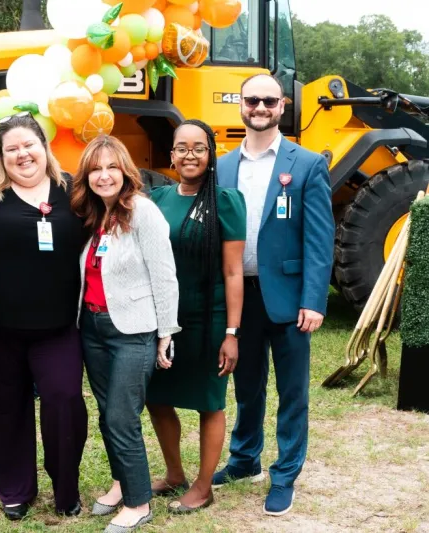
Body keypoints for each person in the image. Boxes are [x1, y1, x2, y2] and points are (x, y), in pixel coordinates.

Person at [212, 73, 335, 516]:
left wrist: (314, 300)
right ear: (240, 105)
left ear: (282, 106)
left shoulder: (305, 164)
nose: (259, 108)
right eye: (252, 100)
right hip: (239, 297)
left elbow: (320, 239)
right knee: (246, 386)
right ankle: (245, 461)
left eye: (268, 101)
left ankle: (285, 475)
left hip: (287, 298)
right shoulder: (223, 166)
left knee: (292, 392)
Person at [0, 112, 88, 520]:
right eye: (12, 149)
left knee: (64, 401)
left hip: (58, 328)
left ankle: (65, 486)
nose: (22, 154)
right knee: (5, 409)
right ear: (0, 157)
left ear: (45, 146)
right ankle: (15, 490)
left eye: (29, 145)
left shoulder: (74, 192)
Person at [71, 135, 180, 533]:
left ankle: (138, 503)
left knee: (122, 415)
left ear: (125, 171)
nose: (103, 176)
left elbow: (165, 275)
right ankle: (121, 483)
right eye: (95, 169)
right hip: (93, 327)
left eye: (110, 167)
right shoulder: (93, 214)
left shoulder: (143, 212)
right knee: (107, 413)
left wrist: (166, 333)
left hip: (133, 330)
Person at [146, 119, 246, 513]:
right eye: (181, 147)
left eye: (198, 147)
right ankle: (175, 475)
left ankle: (204, 486)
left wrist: (232, 332)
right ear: (171, 154)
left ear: (210, 154)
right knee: (156, 397)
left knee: (209, 402)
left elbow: (233, 271)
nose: (190, 154)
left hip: (209, 317)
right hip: (163, 320)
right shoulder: (157, 199)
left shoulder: (226, 201)